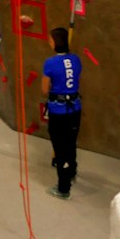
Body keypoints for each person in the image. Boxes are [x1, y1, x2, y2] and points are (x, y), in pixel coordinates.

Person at [42, 25, 82, 199]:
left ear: (54, 43)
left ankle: (63, 188)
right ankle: (71, 171)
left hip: (58, 111)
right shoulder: (76, 59)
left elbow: (45, 89)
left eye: (50, 40)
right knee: (71, 142)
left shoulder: (50, 63)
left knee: (60, 147)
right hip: (75, 108)